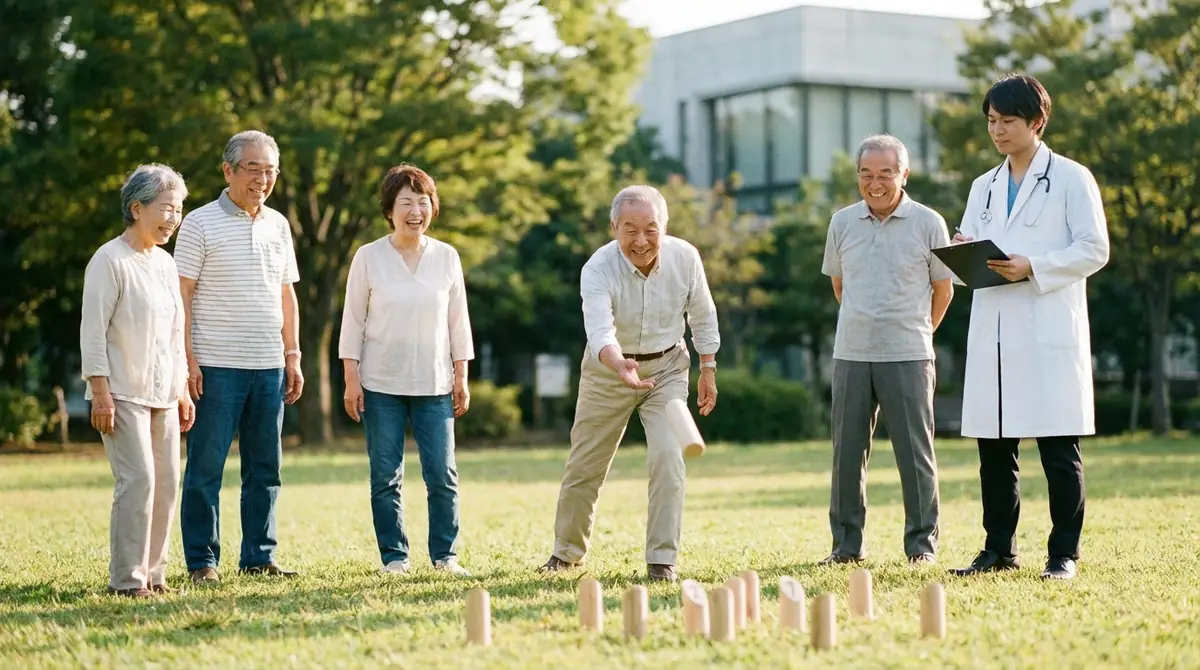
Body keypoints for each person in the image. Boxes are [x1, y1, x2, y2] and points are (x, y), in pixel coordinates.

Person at [947, 74, 1110, 581]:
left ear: (1037, 122)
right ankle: (998, 549)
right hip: (994, 330)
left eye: (1008, 121)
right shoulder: (984, 185)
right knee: (995, 453)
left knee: (1059, 453)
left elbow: (1094, 249)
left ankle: (1064, 554)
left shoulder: (1071, 178)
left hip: (1046, 328)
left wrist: (1033, 266)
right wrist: (963, 248)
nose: (997, 130)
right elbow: (974, 239)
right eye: (992, 121)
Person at [536, 185, 720, 583]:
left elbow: (703, 315)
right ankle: (566, 554)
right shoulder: (598, 267)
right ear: (614, 227)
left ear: (664, 227)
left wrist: (708, 368)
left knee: (669, 456)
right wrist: (618, 363)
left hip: (668, 368)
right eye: (630, 230)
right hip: (609, 371)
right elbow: (599, 329)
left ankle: (661, 560)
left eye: (650, 229)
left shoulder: (685, 257)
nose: (641, 240)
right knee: (586, 464)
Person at [175, 130, 304, 584]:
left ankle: (258, 556)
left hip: (269, 365)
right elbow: (181, 296)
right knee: (206, 468)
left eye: (270, 170)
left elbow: (287, 294)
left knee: (265, 468)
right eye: (253, 169)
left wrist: (293, 354)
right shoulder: (198, 223)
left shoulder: (279, 225)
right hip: (215, 366)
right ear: (228, 170)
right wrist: (186, 359)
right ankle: (202, 561)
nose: (263, 179)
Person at [819, 134, 954, 567]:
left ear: (904, 175)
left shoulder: (930, 222)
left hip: (909, 354)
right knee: (846, 454)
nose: (875, 183)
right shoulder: (841, 223)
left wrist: (917, 334)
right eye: (866, 174)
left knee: (915, 455)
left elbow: (943, 290)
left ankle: (921, 547)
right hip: (852, 353)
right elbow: (840, 286)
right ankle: (845, 547)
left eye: (885, 174)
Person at [338, 164, 475, 577]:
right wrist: (351, 379)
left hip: (435, 383)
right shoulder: (369, 257)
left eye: (423, 201)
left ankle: (445, 556)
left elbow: (458, 322)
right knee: (385, 476)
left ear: (432, 207)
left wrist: (461, 376)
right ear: (389, 209)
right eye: (406, 203)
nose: (415, 211)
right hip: (381, 384)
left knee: (442, 475)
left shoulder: (447, 256)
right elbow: (353, 322)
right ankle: (394, 557)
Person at [80, 163, 197, 598]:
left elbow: (174, 333)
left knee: (166, 485)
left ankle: (154, 574)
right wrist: (99, 393)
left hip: (165, 394)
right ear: (136, 208)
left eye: (179, 209)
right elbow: (92, 332)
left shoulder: (166, 264)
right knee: (139, 482)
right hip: (122, 392)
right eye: (166, 208)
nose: (173, 218)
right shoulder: (108, 260)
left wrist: (182, 389)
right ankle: (127, 581)